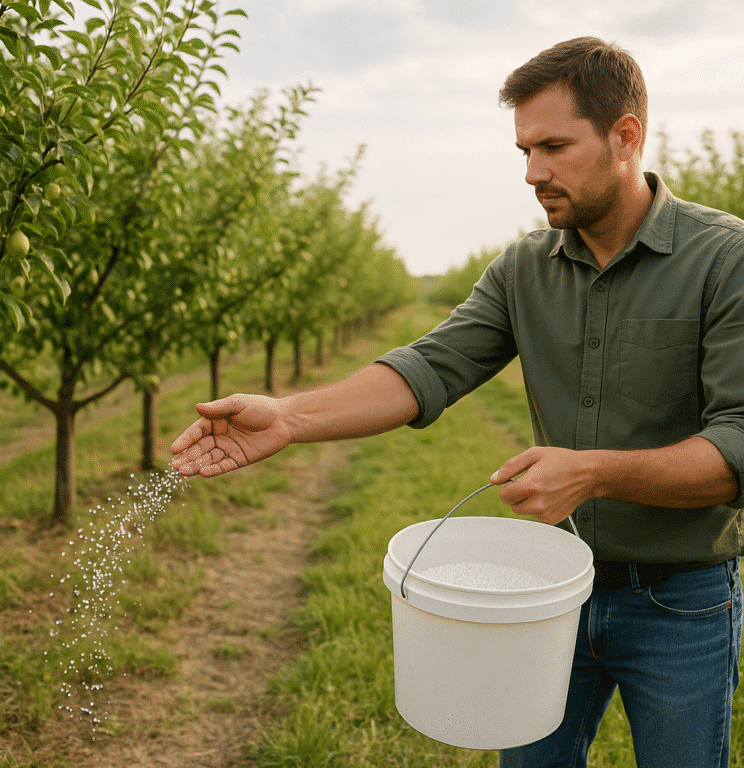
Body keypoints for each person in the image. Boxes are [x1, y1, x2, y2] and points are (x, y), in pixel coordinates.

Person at [171, 37, 744, 768]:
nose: (534, 173)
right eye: (523, 151)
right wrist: (289, 417)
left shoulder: (724, 261)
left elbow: (736, 449)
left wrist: (594, 472)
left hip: (679, 603)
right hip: (541, 594)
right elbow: (427, 368)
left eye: (554, 147)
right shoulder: (523, 270)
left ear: (625, 135)